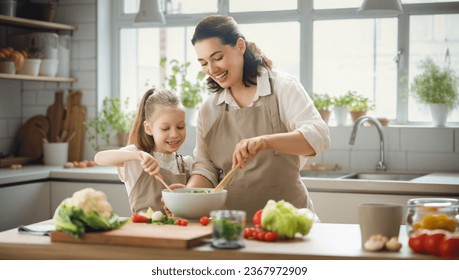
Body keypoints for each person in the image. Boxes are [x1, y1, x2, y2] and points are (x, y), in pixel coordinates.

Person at [186, 15, 331, 218]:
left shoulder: (282, 86)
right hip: (232, 225)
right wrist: (185, 195)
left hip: (289, 220)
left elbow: (319, 136)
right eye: (203, 63)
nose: (211, 69)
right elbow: (205, 167)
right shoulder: (208, 109)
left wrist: (265, 142)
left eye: (217, 58)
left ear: (240, 46)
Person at [94, 88, 193, 214]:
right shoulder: (136, 160)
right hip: (143, 231)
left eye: (180, 126)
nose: (174, 134)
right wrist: (138, 155)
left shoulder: (186, 164)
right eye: (165, 128)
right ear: (148, 128)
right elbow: (99, 158)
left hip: (179, 232)